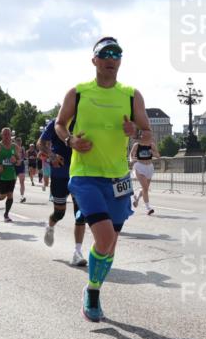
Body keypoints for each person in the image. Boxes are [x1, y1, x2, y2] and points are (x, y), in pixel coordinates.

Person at [54, 36, 152, 321]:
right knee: (105, 237)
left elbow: (146, 133)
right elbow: (60, 124)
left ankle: (94, 286)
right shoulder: (79, 92)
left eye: (116, 53)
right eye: (105, 54)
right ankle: (93, 293)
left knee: (110, 244)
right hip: (85, 175)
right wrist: (71, 140)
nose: (111, 58)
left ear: (120, 60)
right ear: (94, 59)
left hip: (118, 178)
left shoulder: (132, 94)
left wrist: (134, 130)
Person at [39, 117, 89, 265]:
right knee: (59, 213)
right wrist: (52, 155)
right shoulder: (56, 123)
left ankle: (77, 252)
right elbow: (40, 144)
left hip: (80, 174)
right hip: (60, 174)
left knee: (80, 215)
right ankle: (50, 226)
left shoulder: (86, 119)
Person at [0, 127, 19, 222]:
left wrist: (16, 161)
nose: (7, 136)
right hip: (2, 174)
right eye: (5, 134)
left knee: (10, 195)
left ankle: (6, 214)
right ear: (2, 135)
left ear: (11, 135)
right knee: (3, 195)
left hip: (12, 174)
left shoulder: (15, 147)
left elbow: (19, 161)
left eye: (8, 134)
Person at [130, 139, 160, 215]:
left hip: (149, 168)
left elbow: (158, 156)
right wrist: (131, 159)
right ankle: (148, 208)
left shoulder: (151, 145)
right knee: (145, 188)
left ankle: (137, 199)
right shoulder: (137, 145)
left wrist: (152, 152)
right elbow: (131, 154)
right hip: (139, 167)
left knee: (145, 188)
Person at [14, 136, 27, 202]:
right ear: (15, 142)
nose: (19, 143)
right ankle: (9, 195)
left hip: (21, 165)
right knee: (13, 181)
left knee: (22, 181)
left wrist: (22, 158)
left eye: (20, 141)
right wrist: (16, 161)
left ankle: (22, 196)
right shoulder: (13, 148)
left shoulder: (22, 148)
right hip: (14, 166)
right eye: (18, 141)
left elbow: (25, 157)